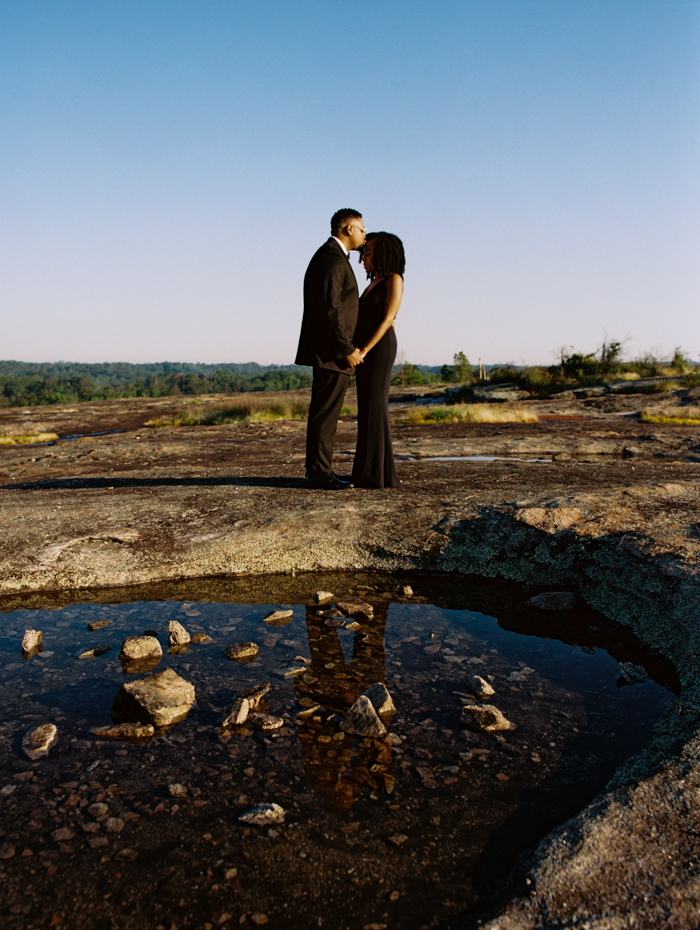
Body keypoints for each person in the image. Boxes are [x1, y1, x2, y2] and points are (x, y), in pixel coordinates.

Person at [295, 209, 366, 490]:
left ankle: (321, 470)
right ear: (347, 229)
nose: (364, 234)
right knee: (325, 414)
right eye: (361, 229)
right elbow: (331, 309)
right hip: (331, 353)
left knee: (326, 414)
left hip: (330, 352)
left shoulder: (332, 257)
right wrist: (345, 349)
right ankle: (318, 473)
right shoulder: (331, 258)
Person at [351, 232, 404, 489]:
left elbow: (386, 320)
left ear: (383, 254)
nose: (363, 259)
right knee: (368, 408)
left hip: (379, 349)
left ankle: (374, 476)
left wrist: (363, 351)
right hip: (365, 349)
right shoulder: (371, 283)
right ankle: (373, 473)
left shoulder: (394, 280)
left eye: (368, 253)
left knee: (375, 406)